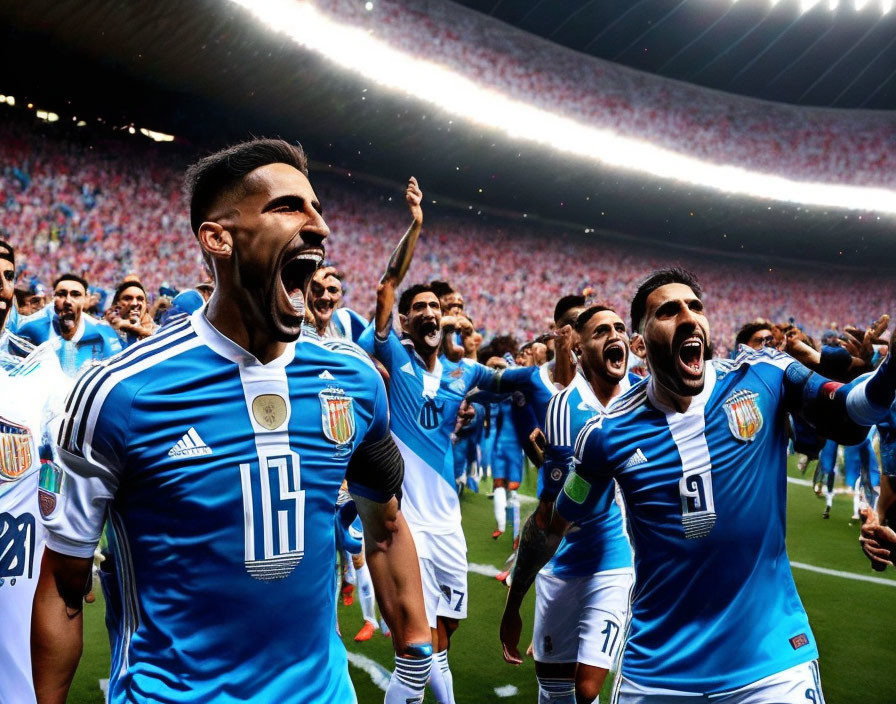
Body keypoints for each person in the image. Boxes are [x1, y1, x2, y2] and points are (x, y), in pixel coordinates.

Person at [31, 139, 432, 704]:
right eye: (290, 207)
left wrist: (414, 651)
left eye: (317, 209)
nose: (319, 227)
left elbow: (385, 527)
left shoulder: (355, 380)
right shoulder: (119, 393)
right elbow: (66, 586)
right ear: (218, 238)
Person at [514, 268, 895, 702]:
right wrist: (515, 603)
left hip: (771, 663)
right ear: (640, 343)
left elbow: (848, 414)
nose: (689, 317)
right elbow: (556, 520)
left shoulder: (764, 376)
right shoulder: (607, 435)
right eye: (669, 311)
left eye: (696, 307)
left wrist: (891, 370)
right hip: (658, 672)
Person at [500, 306, 635, 704]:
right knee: (553, 688)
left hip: (615, 559)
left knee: (587, 687)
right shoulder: (565, 408)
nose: (614, 335)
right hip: (561, 564)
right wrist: (513, 605)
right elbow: (548, 517)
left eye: (620, 328)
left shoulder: (642, 400)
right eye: (600, 331)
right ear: (579, 347)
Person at [0, 239, 70, 704]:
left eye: (7, 276)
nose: (1, 286)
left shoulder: (36, 371)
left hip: (16, 580)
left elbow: (68, 457)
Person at [15, 272, 122, 376]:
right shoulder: (31, 328)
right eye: (61, 294)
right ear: (53, 298)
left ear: (85, 299)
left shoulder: (102, 333)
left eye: (76, 295)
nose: (68, 301)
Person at [307, 266, 367, 341]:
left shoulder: (347, 321)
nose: (325, 297)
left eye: (333, 290)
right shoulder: (294, 330)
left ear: (341, 298)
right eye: (318, 289)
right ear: (307, 294)